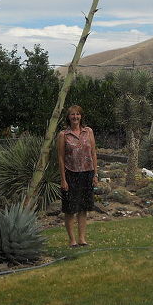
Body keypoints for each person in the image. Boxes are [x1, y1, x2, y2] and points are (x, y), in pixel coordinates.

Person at [57, 104, 98, 247]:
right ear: (68, 117)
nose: (75, 117)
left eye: (78, 114)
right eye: (72, 114)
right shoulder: (63, 135)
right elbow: (61, 158)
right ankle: (72, 240)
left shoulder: (89, 132)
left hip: (87, 173)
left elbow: (93, 153)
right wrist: (63, 179)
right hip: (71, 174)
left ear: (81, 116)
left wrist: (95, 174)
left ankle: (82, 239)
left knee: (83, 208)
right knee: (70, 209)